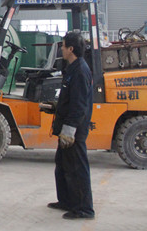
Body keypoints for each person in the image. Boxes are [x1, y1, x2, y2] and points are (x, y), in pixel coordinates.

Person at [47, 31, 95, 220]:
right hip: (66, 126)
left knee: (77, 168)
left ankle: (84, 208)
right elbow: (70, 99)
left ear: (71, 49)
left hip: (74, 130)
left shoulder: (81, 71)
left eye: (64, 46)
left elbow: (80, 105)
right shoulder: (72, 68)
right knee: (63, 165)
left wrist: (69, 130)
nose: (62, 49)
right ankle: (66, 200)